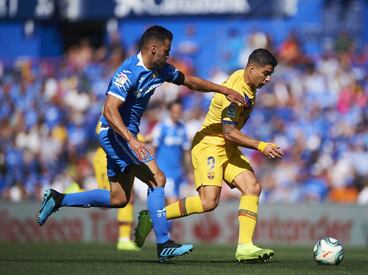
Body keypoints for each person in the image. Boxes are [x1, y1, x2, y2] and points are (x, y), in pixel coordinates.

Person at [36, 25, 246, 262]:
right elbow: (109, 109)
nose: (169, 56)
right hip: (116, 134)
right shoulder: (129, 72)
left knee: (119, 198)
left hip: (124, 136)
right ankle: (163, 243)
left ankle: (58, 199)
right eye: (166, 51)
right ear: (153, 48)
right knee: (157, 179)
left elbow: (189, 81)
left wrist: (223, 89)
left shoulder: (160, 70)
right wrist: (131, 141)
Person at [135, 48, 283, 263]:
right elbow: (229, 132)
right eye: (266, 73)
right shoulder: (236, 93)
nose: (268, 79)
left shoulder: (246, 80)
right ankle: (155, 216)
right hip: (210, 146)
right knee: (208, 203)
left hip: (227, 147)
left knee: (252, 187)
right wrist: (261, 146)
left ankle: (245, 247)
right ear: (251, 69)